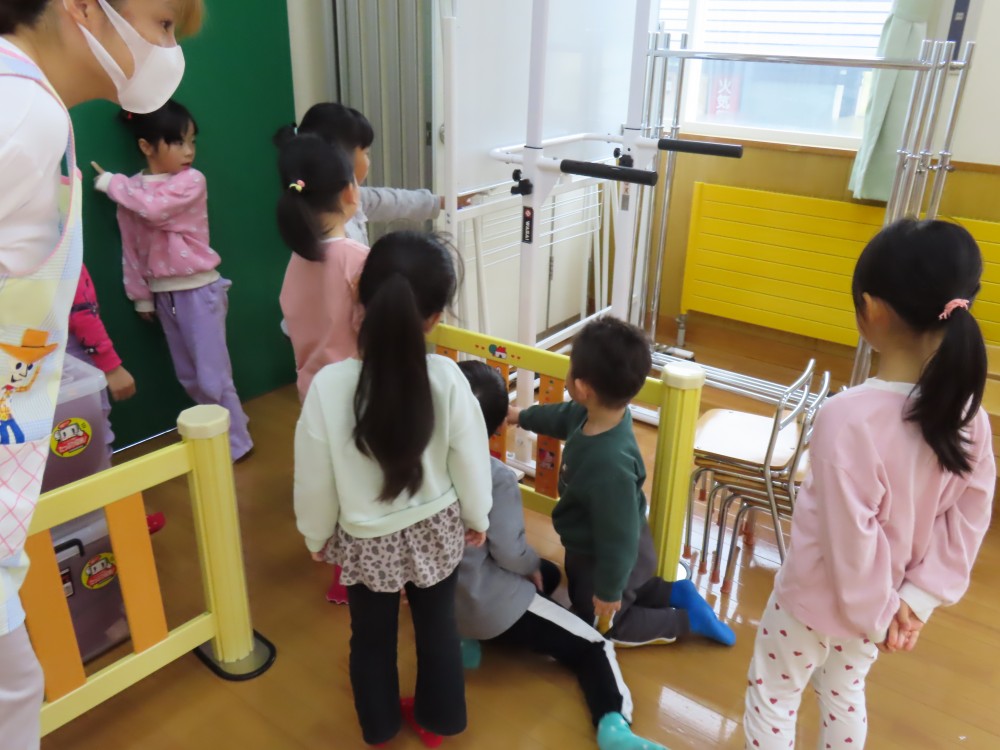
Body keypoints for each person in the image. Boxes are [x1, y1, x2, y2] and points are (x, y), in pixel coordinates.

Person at [0, 0, 198, 746]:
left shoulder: (36, 109)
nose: (169, 50)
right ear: (84, 7)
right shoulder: (23, 116)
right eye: (164, 24)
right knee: (15, 691)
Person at [743, 219, 996, 750]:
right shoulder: (971, 416)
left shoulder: (847, 416)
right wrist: (914, 600)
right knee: (844, 693)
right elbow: (968, 520)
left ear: (872, 309)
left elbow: (849, 538)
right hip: (883, 605)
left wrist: (881, 612)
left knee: (774, 698)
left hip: (812, 603)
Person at [293, 231, 493, 747]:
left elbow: (314, 476)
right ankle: (439, 720)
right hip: (437, 528)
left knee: (372, 640)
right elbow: (471, 459)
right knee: (438, 629)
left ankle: (380, 728)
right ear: (435, 317)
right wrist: (478, 517)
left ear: (357, 292)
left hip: (367, 539)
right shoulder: (447, 377)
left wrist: (316, 534)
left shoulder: (329, 386)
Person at [455, 360, 668, 750]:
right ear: (496, 427)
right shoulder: (496, 478)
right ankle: (614, 725)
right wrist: (529, 566)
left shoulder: (408, 466)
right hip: (489, 608)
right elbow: (510, 553)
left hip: (439, 603)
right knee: (595, 645)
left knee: (549, 574)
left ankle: (465, 641)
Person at [508, 317, 735, 648]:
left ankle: (686, 620)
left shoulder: (608, 464)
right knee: (624, 588)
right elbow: (559, 417)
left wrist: (609, 591)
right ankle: (675, 592)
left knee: (605, 625)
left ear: (582, 388)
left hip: (608, 553)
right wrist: (521, 416)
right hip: (603, 545)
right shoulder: (594, 414)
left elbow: (619, 538)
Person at [92, 99, 253, 462]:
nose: (189, 151)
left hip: (199, 291)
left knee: (213, 377)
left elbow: (155, 209)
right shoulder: (131, 190)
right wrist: (141, 296)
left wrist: (113, 184)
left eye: (192, 141)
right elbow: (132, 246)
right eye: (178, 142)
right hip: (165, 296)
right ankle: (220, 432)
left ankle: (236, 443)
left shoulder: (191, 181)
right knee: (189, 376)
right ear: (146, 146)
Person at [275, 132, 365, 401]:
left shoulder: (297, 259)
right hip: (355, 395)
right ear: (349, 192)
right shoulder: (358, 259)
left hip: (312, 393)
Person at [68, 263, 137, 461]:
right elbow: (80, 312)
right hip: (71, 356)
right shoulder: (57, 251)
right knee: (90, 433)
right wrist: (112, 368)